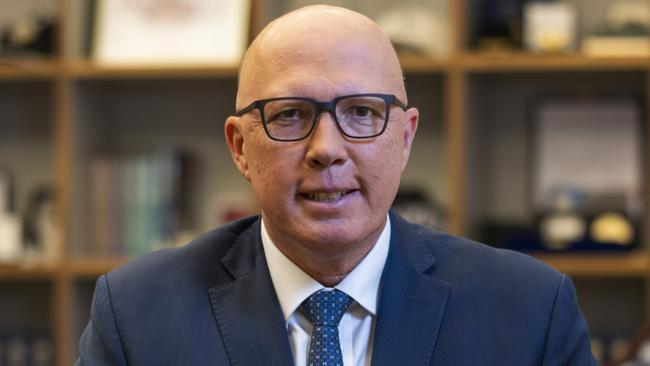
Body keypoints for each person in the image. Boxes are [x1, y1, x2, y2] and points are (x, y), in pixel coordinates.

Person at [76, 5, 595, 366]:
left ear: (405, 136)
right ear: (240, 147)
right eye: (290, 115)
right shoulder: (136, 313)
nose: (327, 147)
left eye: (362, 112)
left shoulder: (529, 311)